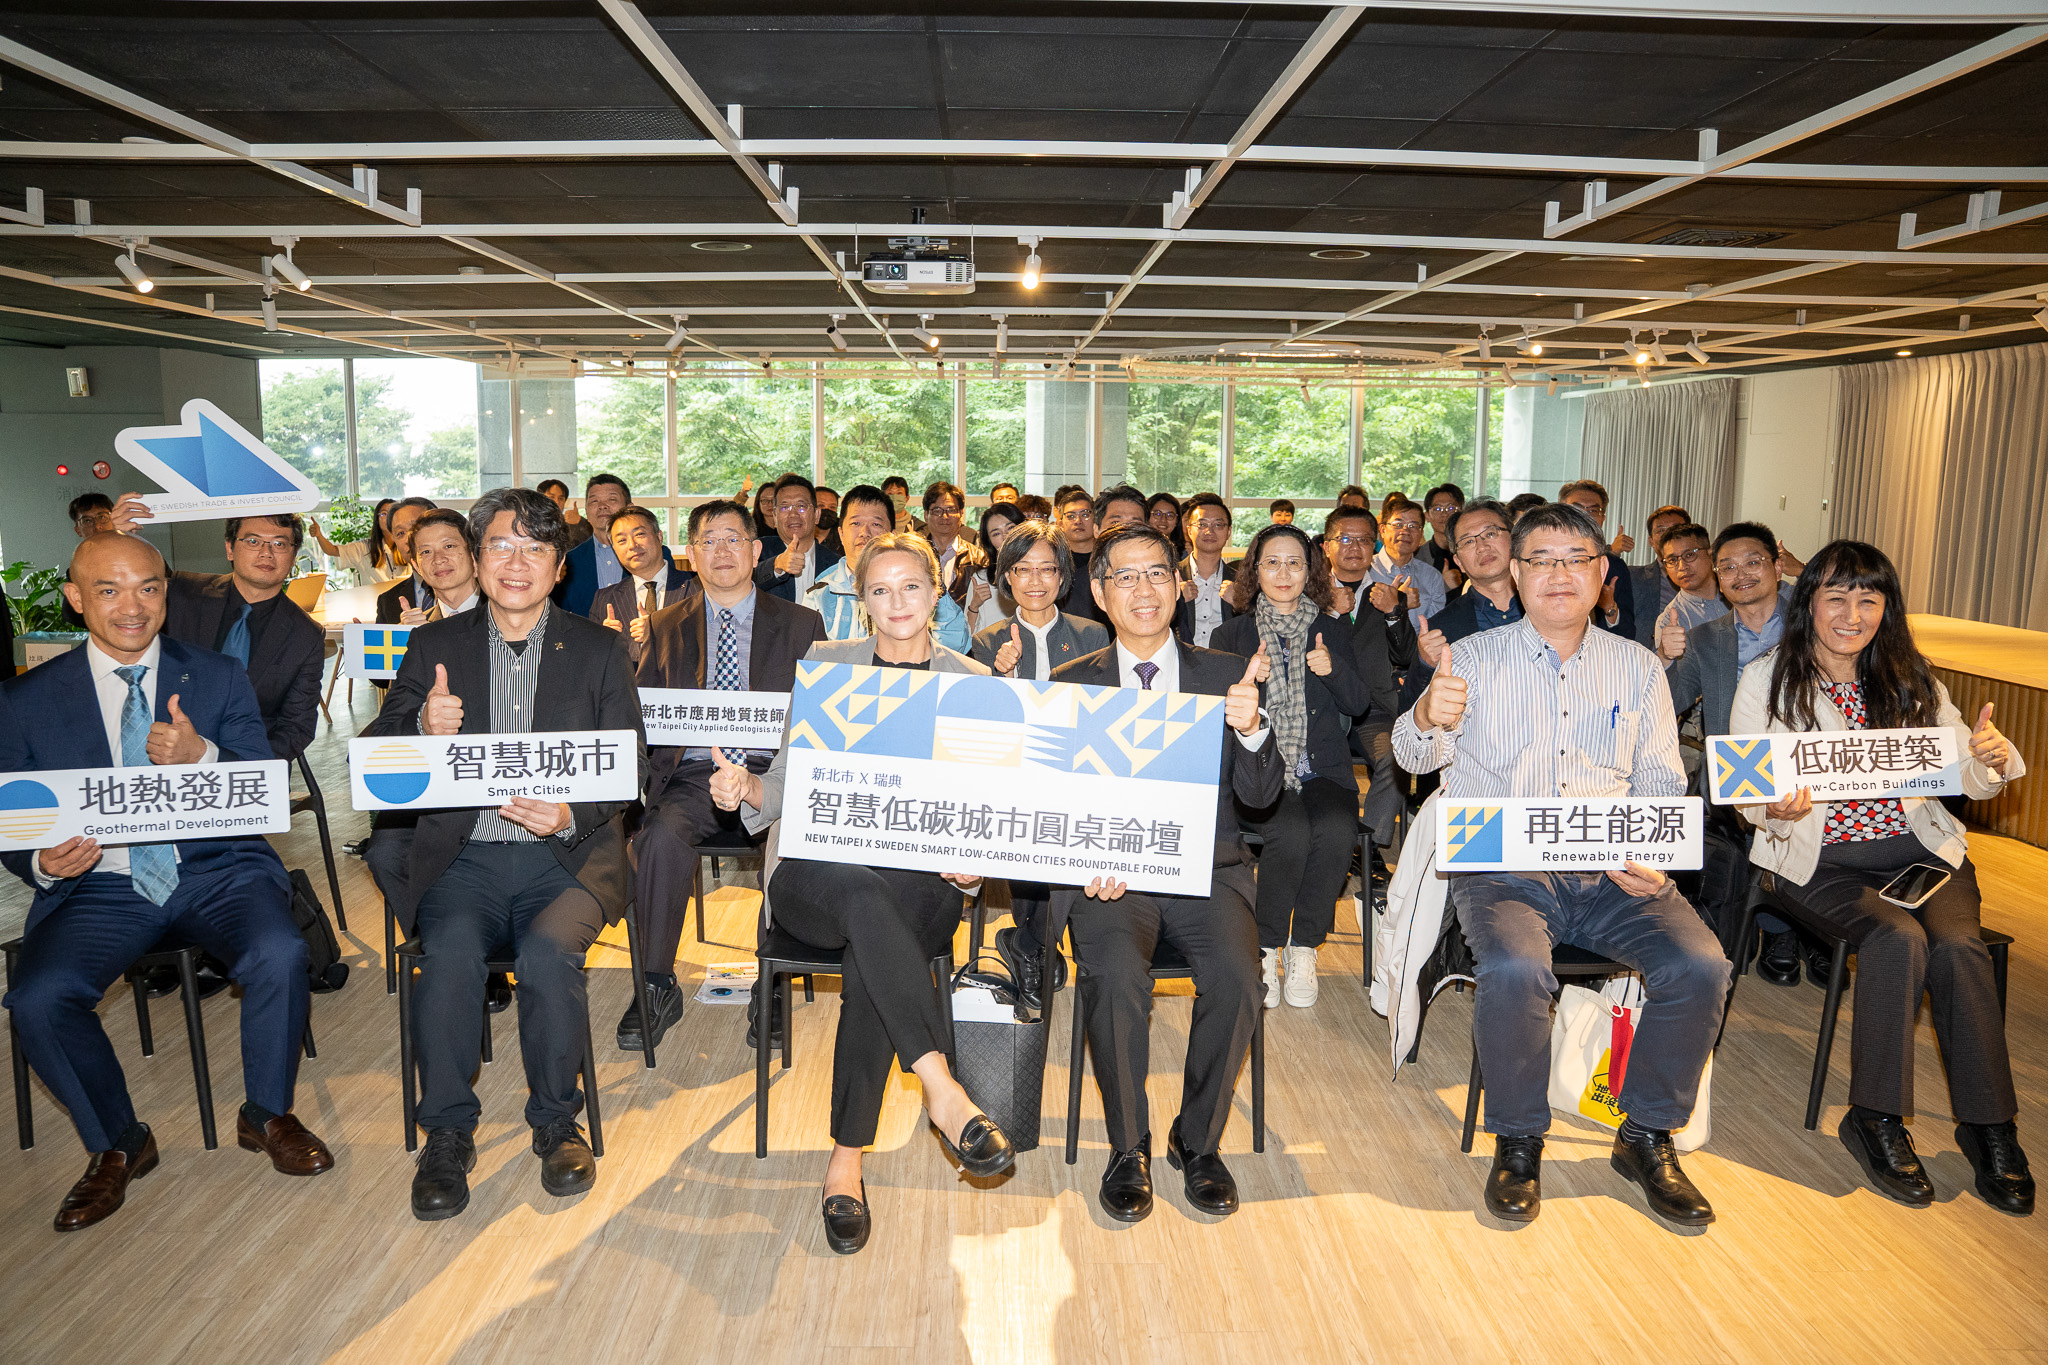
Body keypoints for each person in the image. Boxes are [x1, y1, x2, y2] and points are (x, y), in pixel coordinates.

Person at [1393, 500, 1728, 1229]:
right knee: (1515, 968)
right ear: (1514, 572)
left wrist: (1657, 859)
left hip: (1615, 869)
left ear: (1602, 572)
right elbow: (1410, 756)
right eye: (1539, 560)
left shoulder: (1638, 666)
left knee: (1701, 963)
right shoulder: (1472, 658)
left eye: (1575, 559)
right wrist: (1426, 716)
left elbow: (1664, 782)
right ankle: (1518, 1139)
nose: (1557, 574)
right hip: (1505, 869)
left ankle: (1645, 1134)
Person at [1, 533, 332, 1232]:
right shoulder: (26, 698)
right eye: (109, 590)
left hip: (216, 868)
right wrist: (39, 860)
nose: (132, 606)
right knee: (37, 996)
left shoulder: (213, 676)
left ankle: (266, 1112)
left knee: (280, 950)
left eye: (149, 588)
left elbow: (262, 779)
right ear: (75, 599)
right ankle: (119, 1141)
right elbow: (15, 814)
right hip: (100, 884)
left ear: (167, 593)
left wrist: (201, 753)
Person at [715, 532, 1017, 1253]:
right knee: (862, 904)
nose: (896, 603)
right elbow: (786, 780)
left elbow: (988, 803)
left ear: (936, 590)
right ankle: (942, 1088)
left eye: (910, 586)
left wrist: (974, 868)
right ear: (861, 599)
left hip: (925, 878)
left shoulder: (973, 683)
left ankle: (845, 1161)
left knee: (873, 946)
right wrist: (746, 787)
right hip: (819, 874)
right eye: (878, 590)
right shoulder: (827, 665)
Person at [368, 487, 646, 1221]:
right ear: (476, 558)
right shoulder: (433, 647)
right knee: (451, 954)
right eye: (500, 545)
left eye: (535, 549)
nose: (516, 562)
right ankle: (449, 1134)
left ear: (559, 568)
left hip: (569, 858)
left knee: (551, 954)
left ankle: (557, 1120)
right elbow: (375, 761)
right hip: (467, 861)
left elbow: (632, 766)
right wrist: (424, 730)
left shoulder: (599, 648)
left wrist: (569, 810)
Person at [1729, 541, 2032, 1213]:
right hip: (1821, 859)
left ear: (1886, 608)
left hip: (1922, 850)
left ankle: (1991, 1127)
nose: (1852, 612)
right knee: (1898, 938)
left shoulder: (1911, 674)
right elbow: (1748, 792)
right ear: (1808, 601)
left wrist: (1986, 756)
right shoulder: (1768, 678)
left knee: (1958, 948)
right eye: (1836, 596)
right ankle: (1876, 1117)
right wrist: (1771, 803)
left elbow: (1964, 771)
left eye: (1868, 598)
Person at [1049, 523, 1281, 1223]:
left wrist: (1251, 730)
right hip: (1112, 876)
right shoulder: (1070, 684)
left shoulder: (1222, 674)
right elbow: (1055, 804)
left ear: (1180, 587)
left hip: (1207, 870)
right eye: (1125, 576)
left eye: (1158, 574)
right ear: (1098, 591)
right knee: (1116, 975)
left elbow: (1264, 798)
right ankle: (1130, 1145)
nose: (1143, 590)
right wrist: (1086, 860)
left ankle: (1197, 1138)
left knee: (1241, 978)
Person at [628, 498, 825, 1052]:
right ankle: (656, 980)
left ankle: (774, 980)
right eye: (709, 541)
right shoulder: (665, 625)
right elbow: (645, 713)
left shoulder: (802, 623)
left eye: (733, 539)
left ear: (756, 550)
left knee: (795, 846)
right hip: (694, 774)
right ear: (690, 555)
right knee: (659, 836)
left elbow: (819, 713)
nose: (722, 551)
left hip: (774, 770)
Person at [1210, 523, 1364, 1009]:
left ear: (1310, 570)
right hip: (1259, 769)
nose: (1283, 572)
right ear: (1254, 570)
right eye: (1272, 562)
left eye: (1294, 563)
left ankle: (1304, 948)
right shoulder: (1230, 633)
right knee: (1291, 832)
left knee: (1338, 829)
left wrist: (1332, 669)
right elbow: (1216, 715)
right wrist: (1247, 684)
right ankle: (1266, 945)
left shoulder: (1333, 628)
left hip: (1322, 768)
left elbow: (1361, 705)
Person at [970, 521, 1110, 1007]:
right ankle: (1034, 943)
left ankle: (1028, 943)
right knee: (1027, 814)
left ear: (1062, 576)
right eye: (1023, 569)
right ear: (1007, 577)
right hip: (1011, 772)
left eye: (1047, 569)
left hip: (1080, 769)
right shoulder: (987, 641)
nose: (1035, 580)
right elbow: (978, 730)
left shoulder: (1093, 634)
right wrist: (998, 677)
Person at [1319, 504, 1414, 878]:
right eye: (1345, 538)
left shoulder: (1388, 593)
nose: (1355, 547)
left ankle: (1368, 845)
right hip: (1322, 708)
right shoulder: (1307, 592)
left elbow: (1406, 656)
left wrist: (1394, 612)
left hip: (1372, 712)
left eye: (1364, 540)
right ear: (1326, 546)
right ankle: (1325, 842)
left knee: (1398, 758)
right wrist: (1329, 613)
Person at [806, 485, 970, 653]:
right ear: (841, 533)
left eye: (876, 524)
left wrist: (930, 581)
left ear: (891, 533)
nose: (865, 532)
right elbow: (809, 658)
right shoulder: (820, 595)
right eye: (856, 523)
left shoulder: (917, 585)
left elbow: (956, 647)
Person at [591, 504, 695, 666]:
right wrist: (604, 643)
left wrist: (661, 633)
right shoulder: (604, 599)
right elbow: (594, 665)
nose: (632, 545)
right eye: (622, 540)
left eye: (639, 534)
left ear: (659, 537)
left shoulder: (697, 587)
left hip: (685, 688)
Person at [1558, 480, 1637, 640]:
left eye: (1593, 510)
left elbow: (1627, 635)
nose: (1585, 515)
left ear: (1602, 518)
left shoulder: (1614, 567)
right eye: (1577, 508)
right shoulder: (1541, 560)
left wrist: (1610, 609)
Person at [552, 473, 633, 616]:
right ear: (587, 511)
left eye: (612, 499)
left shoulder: (654, 555)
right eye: (594, 501)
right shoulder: (568, 562)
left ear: (629, 508)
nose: (602, 506)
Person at [757, 474, 844, 603]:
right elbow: (742, 582)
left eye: (801, 506)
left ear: (816, 515)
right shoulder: (758, 551)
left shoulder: (835, 564)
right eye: (784, 507)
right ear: (774, 517)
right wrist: (777, 565)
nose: (793, 513)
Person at [1370, 497, 1446, 630]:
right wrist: (1399, 605)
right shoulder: (1365, 570)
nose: (1405, 531)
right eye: (1398, 524)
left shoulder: (1432, 577)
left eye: (1413, 526)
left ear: (1421, 534)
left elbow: (1432, 631)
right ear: (1382, 530)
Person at [921, 481, 990, 624]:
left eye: (951, 510)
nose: (944, 517)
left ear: (961, 514)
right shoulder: (915, 556)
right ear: (926, 515)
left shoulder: (979, 559)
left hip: (966, 636)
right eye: (937, 511)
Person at [1174, 492, 1235, 647]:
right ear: (1189, 531)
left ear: (1228, 532)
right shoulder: (1170, 577)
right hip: (1181, 665)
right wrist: (1176, 601)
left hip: (1226, 664)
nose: (1210, 531)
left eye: (1218, 524)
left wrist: (1241, 605)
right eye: (1202, 525)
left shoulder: (1241, 581)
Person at [1629, 504, 1691, 649]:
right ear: (1651, 541)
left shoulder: (1710, 578)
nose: (1669, 535)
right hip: (1646, 659)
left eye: (1676, 528)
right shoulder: (1632, 577)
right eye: (1661, 530)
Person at [1650, 523, 1725, 639]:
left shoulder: (1738, 592)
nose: (1682, 566)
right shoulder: (1668, 622)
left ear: (1710, 554)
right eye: (1672, 560)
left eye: (1689, 555)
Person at [373, 497, 440, 625]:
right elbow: (386, 644)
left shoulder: (477, 592)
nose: (409, 539)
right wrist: (365, 643)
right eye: (400, 533)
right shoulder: (388, 601)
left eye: (416, 528)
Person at [966, 500, 1025, 636]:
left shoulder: (1040, 572)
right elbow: (967, 635)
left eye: (1010, 528)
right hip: (993, 653)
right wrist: (974, 605)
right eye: (996, 534)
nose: (1005, 536)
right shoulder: (981, 579)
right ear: (989, 542)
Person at [308, 496, 398, 583]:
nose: (388, 518)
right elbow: (332, 550)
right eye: (384, 514)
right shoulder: (364, 548)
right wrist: (319, 535)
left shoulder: (406, 545)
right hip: (374, 598)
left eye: (392, 513)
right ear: (377, 519)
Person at [1054, 486, 1103, 623]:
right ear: (1060, 525)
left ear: (1095, 520)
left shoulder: (1108, 558)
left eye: (1085, 514)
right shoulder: (1054, 563)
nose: (1078, 521)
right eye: (1071, 516)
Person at [1420, 482, 1465, 590]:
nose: (1444, 514)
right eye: (1437, 509)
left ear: (1462, 513)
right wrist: (1443, 585)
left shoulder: (1471, 551)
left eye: (1450, 508)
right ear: (1427, 516)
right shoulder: (1418, 557)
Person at [537, 478, 594, 550]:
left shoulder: (572, 521)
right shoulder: (532, 522)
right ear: (540, 499)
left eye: (561, 498)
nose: (557, 502)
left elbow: (588, 545)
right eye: (552, 497)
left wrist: (579, 523)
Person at [1147, 491, 1188, 560]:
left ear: (1177, 521)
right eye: (1157, 514)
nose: (1163, 519)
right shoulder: (1136, 547)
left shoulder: (1185, 554)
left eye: (1170, 515)